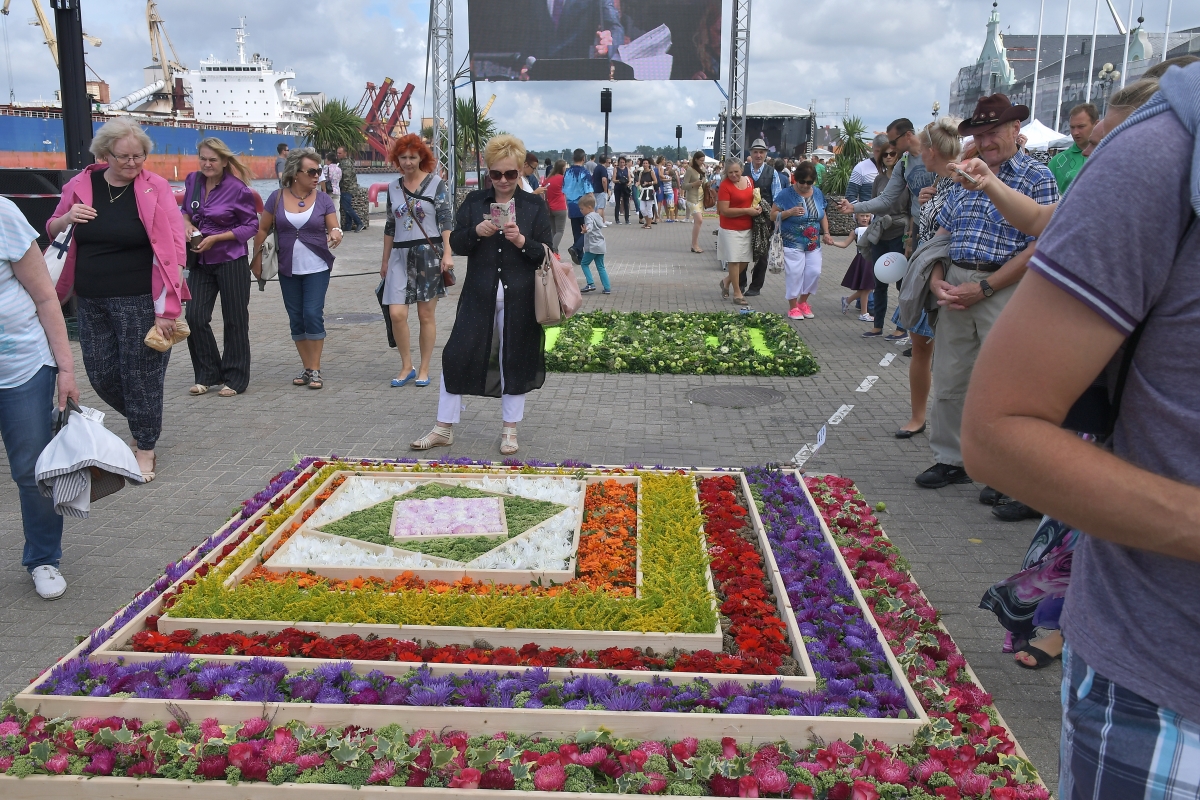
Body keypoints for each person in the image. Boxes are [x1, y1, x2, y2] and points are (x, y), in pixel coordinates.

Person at [961, 60, 1200, 795]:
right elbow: (1000, 428)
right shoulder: (1165, 152)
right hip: (1169, 690)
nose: (1089, 145)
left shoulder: (1049, 169)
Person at [915, 94, 1058, 490]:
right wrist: (936, 278)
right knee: (950, 376)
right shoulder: (964, 174)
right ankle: (951, 458)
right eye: (979, 134)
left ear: (1015, 129)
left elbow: (1039, 247)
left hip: (1005, 286)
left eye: (993, 132)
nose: (986, 141)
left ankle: (1002, 470)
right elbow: (942, 235)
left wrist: (985, 287)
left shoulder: (1037, 176)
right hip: (956, 283)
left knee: (1005, 384)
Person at [47, 119, 189, 483]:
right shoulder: (81, 185)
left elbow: (175, 247)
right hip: (89, 299)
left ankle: (145, 446)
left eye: (139, 156)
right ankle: (146, 419)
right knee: (100, 373)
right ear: (105, 154)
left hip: (140, 300)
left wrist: (168, 309)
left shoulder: (155, 187)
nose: (132, 163)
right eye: (124, 156)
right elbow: (52, 228)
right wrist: (67, 218)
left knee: (140, 377)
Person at [411, 134, 552, 456]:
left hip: (521, 298)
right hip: (478, 294)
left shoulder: (533, 206)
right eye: (496, 174)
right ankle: (443, 428)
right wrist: (476, 231)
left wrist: (521, 241)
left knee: (514, 358)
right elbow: (456, 243)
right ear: (488, 172)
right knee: (456, 354)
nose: (503, 180)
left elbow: (546, 252)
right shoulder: (475, 202)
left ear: (521, 171)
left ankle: (509, 430)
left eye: (510, 173)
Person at [0, 196, 80, 599]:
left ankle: (44, 559)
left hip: (22, 368)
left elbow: (47, 296)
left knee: (32, 470)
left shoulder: (3, 214)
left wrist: (66, 369)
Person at [893, 117, 961, 439]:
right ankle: (918, 416)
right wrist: (925, 200)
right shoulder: (939, 181)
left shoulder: (961, 179)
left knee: (950, 354)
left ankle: (948, 424)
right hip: (926, 268)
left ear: (932, 152)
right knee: (921, 346)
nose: (919, 155)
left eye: (922, 150)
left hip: (949, 271)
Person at [252, 147, 342, 390]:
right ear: (295, 173)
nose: (317, 176)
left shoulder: (323, 199)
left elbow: (334, 226)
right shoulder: (276, 197)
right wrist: (256, 258)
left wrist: (336, 233)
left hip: (317, 267)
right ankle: (307, 367)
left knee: (312, 313)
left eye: (319, 171)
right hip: (287, 268)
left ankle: (316, 368)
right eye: (312, 172)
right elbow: (262, 229)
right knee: (296, 318)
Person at [840, 119, 934, 340]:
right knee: (916, 281)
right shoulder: (904, 164)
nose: (891, 147)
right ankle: (914, 336)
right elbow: (885, 199)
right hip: (920, 227)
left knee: (925, 282)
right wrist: (855, 207)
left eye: (893, 142)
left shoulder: (932, 153)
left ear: (907, 135)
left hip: (938, 225)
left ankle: (918, 333)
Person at [181, 137, 259, 398]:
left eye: (212, 160)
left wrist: (217, 238)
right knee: (194, 317)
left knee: (235, 320)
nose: (207, 164)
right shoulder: (193, 180)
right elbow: (185, 211)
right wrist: (186, 226)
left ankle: (235, 377)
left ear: (225, 161)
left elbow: (251, 225)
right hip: (200, 260)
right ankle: (208, 373)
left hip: (231, 259)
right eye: (203, 159)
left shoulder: (238, 189)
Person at [381, 134, 453, 388]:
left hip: (428, 254)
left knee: (425, 315)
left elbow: (445, 219)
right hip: (400, 254)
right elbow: (390, 225)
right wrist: (385, 260)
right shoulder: (393, 187)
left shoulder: (436, 184)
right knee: (396, 313)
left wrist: (447, 252)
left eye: (412, 157)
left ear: (422, 157)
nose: (408, 162)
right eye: (403, 157)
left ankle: (424, 368)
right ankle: (406, 365)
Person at [772, 162, 831, 320]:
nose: (805, 185)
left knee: (814, 272)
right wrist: (789, 212)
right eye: (802, 181)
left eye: (809, 182)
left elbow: (822, 213)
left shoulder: (817, 193)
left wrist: (826, 232)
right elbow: (773, 215)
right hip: (792, 241)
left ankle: (803, 302)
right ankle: (793, 307)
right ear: (796, 179)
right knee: (795, 274)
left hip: (813, 243)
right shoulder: (786, 194)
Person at [740, 138, 781, 297]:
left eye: (761, 152)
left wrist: (773, 219)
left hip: (764, 219)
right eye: (755, 152)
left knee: (762, 254)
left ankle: (756, 287)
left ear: (765, 154)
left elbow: (777, 198)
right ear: (750, 153)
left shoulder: (772, 172)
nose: (758, 155)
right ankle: (740, 283)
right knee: (741, 251)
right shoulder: (742, 170)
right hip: (744, 216)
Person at [716, 159, 759, 306]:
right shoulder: (724, 186)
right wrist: (747, 211)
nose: (733, 175)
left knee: (745, 260)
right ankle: (737, 293)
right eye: (730, 172)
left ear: (741, 170)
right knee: (734, 260)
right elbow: (724, 210)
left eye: (736, 172)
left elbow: (752, 200)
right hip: (730, 228)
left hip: (747, 226)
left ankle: (727, 280)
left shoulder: (749, 181)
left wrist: (756, 208)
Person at [1047, 103, 1096, 193]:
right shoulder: (1056, 162)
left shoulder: (1109, 156)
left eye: (1081, 127)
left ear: (1096, 124)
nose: (1075, 132)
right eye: (1072, 127)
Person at [835, 213, 876, 320]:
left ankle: (848, 300)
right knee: (867, 287)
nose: (865, 218)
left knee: (868, 288)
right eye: (862, 216)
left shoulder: (874, 228)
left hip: (873, 259)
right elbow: (844, 244)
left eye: (867, 216)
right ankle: (863, 313)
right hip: (864, 260)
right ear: (856, 217)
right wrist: (832, 242)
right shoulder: (855, 232)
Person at [564, 148, 593, 265]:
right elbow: (589, 191)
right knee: (588, 230)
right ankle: (576, 248)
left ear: (573, 158)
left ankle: (579, 257)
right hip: (583, 204)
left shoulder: (567, 172)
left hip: (571, 204)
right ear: (583, 158)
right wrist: (593, 206)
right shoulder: (585, 173)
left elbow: (565, 190)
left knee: (577, 231)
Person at [578, 193, 610, 294]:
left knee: (584, 264)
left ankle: (590, 283)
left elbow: (590, 226)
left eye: (582, 209)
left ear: (589, 207)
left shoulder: (588, 217)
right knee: (601, 267)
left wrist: (586, 230)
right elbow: (600, 225)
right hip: (601, 245)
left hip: (592, 246)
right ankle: (607, 287)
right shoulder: (597, 215)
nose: (581, 211)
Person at [533, 159, 568, 254]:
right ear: (562, 168)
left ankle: (552, 249)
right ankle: (552, 249)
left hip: (549, 207)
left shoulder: (548, 178)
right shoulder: (562, 178)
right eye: (565, 167)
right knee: (560, 231)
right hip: (560, 207)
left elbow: (542, 189)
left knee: (553, 231)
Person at [844, 134, 888, 202]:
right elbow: (850, 196)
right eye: (877, 151)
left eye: (883, 151)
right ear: (872, 148)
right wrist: (859, 208)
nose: (880, 155)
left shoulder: (896, 168)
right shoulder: (861, 168)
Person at [336, 145, 365, 233]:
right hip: (349, 188)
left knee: (347, 207)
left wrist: (342, 188)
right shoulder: (345, 162)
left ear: (345, 153)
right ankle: (348, 225)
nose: (338, 155)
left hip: (348, 189)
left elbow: (346, 178)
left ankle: (359, 223)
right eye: (337, 153)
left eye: (340, 153)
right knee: (346, 207)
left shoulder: (345, 164)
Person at [683, 150, 707, 253]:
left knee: (698, 222)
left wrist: (708, 183)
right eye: (701, 160)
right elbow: (684, 185)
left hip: (700, 197)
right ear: (696, 159)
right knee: (699, 220)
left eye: (703, 160)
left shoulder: (702, 169)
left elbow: (704, 183)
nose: (702, 162)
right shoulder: (690, 170)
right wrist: (694, 184)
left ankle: (694, 244)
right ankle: (694, 245)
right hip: (692, 198)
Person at [637, 158, 657, 229]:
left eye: (646, 163)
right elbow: (639, 181)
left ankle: (649, 224)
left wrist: (648, 183)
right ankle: (647, 221)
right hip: (643, 191)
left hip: (649, 190)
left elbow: (655, 181)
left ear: (649, 164)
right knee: (642, 209)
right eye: (644, 163)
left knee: (649, 208)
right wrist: (638, 183)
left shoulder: (651, 172)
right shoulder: (641, 172)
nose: (645, 164)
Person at [613, 156, 632, 224]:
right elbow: (613, 180)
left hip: (625, 187)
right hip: (618, 187)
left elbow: (630, 179)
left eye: (623, 162)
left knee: (626, 203)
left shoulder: (627, 169)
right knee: (618, 203)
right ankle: (617, 219)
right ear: (618, 162)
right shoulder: (616, 169)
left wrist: (628, 183)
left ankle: (627, 219)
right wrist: (619, 181)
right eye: (621, 162)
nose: (622, 164)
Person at [591, 155, 610, 224]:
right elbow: (604, 180)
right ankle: (597, 222)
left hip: (596, 189)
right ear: (606, 161)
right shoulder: (603, 169)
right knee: (600, 207)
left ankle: (603, 221)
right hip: (601, 190)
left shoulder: (597, 168)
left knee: (601, 206)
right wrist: (605, 190)